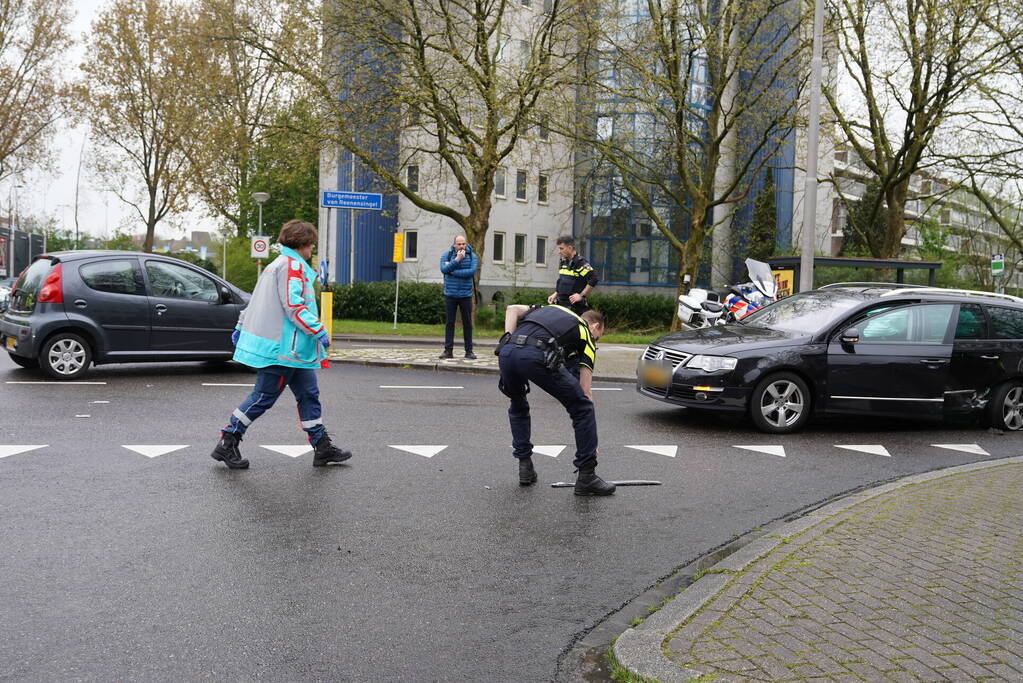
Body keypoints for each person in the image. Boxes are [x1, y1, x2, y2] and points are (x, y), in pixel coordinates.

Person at [210, 219, 352, 469]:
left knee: (309, 395)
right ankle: (227, 441)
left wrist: (241, 327)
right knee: (263, 397)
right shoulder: (291, 267)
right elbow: (293, 306)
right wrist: (318, 329)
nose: (312, 250)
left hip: (294, 351)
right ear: (303, 243)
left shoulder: (277, 265)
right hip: (284, 349)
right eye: (311, 245)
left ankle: (321, 446)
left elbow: (256, 302)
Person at [497, 303, 615, 496]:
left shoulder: (549, 309)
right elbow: (585, 391)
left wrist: (506, 339)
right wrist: (590, 443)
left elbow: (511, 309)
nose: (596, 340)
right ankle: (587, 476)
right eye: (599, 336)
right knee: (583, 408)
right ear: (595, 327)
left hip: (507, 353)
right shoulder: (586, 333)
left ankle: (525, 467)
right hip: (536, 355)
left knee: (518, 405)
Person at [439, 235, 478, 359]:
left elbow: (471, 272)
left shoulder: (472, 256)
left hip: (465, 295)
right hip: (450, 294)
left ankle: (469, 351)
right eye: (459, 244)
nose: (461, 246)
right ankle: (448, 351)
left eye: (463, 244)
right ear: (454, 245)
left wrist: (453, 272)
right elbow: (444, 269)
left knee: (467, 324)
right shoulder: (447, 255)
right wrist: (457, 260)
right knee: (449, 323)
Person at [547, 235, 599, 315]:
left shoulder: (579, 262)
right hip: (561, 305)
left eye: (561, 248)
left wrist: (581, 295)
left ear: (570, 248)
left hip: (575, 308)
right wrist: (555, 294)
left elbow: (593, 278)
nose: (559, 251)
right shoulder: (563, 261)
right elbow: (563, 281)